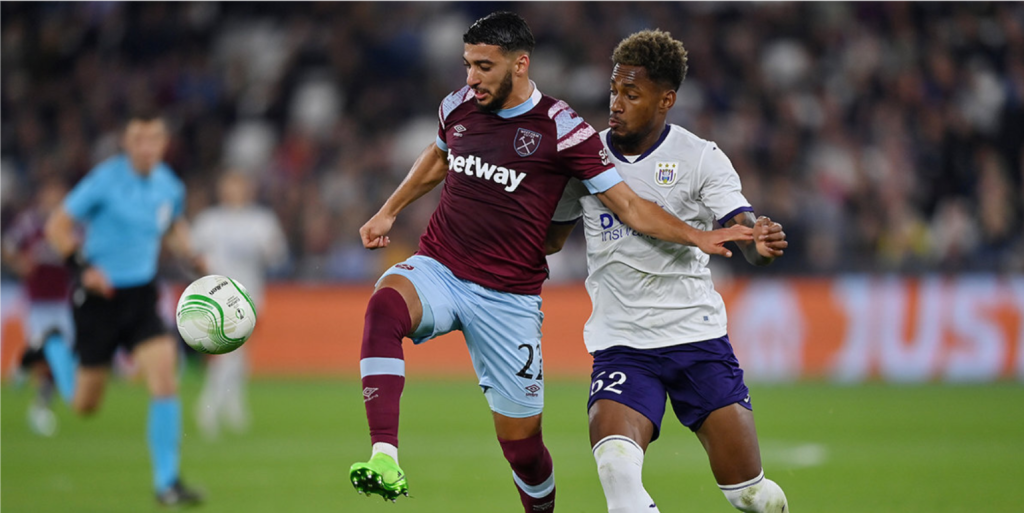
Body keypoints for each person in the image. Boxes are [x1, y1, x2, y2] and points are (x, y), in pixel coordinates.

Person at [348, 12, 752, 510]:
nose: (471, 78)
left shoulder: (565, 130)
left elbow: (628, 205)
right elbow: (438, 157)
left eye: (484, 67)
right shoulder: (457, 105)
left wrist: (697, 235)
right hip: (441, 268)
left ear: (520, 65)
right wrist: (389, 210)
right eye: (468, 64)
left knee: (523, 451)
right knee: (385, 305)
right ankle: (384, 455)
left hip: (508, 300)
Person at [546, 30, 791, 513]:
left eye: (631, 94)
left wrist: (760, 245)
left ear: (666, 100)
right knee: (616, 469)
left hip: (696, 341)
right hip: (621, 345)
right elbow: (550, 240)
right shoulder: (585, 157)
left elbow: (744, 233)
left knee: (749, 496)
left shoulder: (700, 157)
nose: (616, 104)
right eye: (613, 90)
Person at [45, 110, 206, 506]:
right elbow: (56, 227)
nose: (146, 147)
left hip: (141, 296)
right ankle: (52, 346)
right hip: (98, 299)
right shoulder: (104, 181)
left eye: (154, 139)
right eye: (138, 139)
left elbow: (172, 225)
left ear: (164, 143)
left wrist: (191, 254)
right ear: (126, 143)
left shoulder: (169, 186)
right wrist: (84, 269)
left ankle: (167, 483)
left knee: (165, 380)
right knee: (85, 405)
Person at [192, 171, 288, 439]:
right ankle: (208, 408)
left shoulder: (261, 221)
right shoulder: (209, 221)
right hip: (217, 296)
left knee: (239, 355)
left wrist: (269, 250)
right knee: (228, 354)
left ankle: (233, 405)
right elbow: (192, 256)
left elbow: (277, 255)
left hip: (252, 295)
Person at [1, 178, 76, 436]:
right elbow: (8, 246)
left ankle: (22, 365)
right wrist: (20, 263)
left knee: (58, 351)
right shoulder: (29, 222)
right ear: (43, 196)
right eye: (51, 195)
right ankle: (40, 408)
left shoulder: (69, 224)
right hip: (38, 302)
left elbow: (81, 252)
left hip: (63, 300)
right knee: (51, 352)